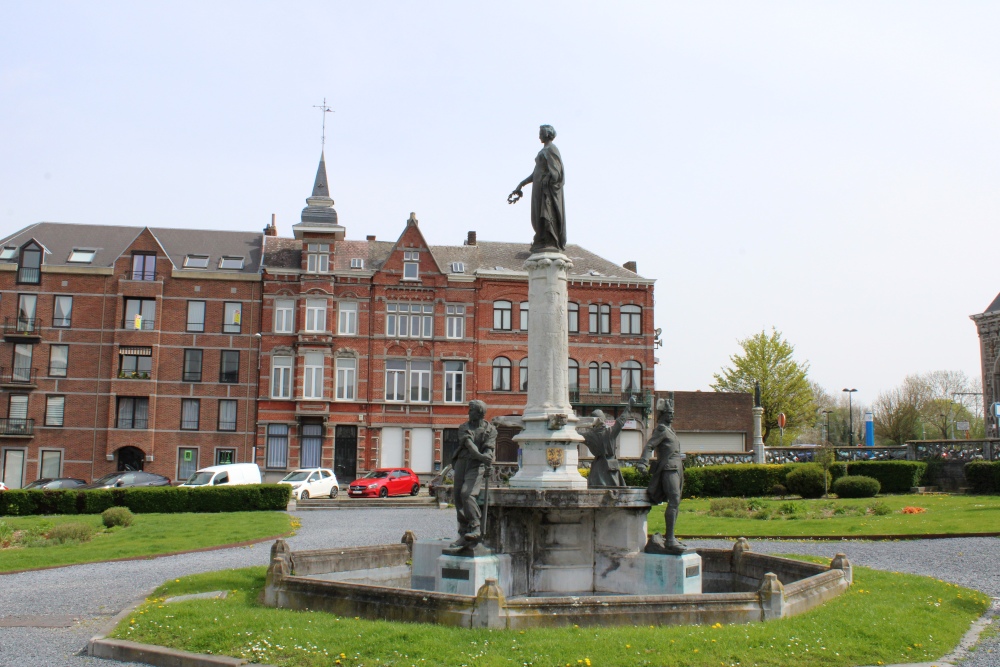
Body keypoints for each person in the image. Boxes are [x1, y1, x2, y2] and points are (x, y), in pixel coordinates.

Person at [637, 398, 688, 553]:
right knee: (673, 500)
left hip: (677, 469)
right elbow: (650, 445)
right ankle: (670, 540)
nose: (672, 416)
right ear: (663, 414)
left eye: (672, 413)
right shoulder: (661, 429)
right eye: (669, 413)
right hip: (668, 469)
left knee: (676, 501)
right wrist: (643, 462)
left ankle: (670, 536)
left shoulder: (671, 430)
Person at [509, 124, 566, 252]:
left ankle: (550, 240)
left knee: (546, 213)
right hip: (538, 189)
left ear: (547, 133)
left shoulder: (552, 149)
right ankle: (541, 239)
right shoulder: (542, 151)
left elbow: (556, 172)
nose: (539, 135)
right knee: (538, 216)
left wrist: (548, 179)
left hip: (547, 191)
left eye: (541, 132)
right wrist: (521, 184)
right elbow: (536, 173)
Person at [450, 400, 497, 549]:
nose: (468, 413)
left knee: (467, 494)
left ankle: (475, 526)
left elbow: (489, 448)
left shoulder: (491, 430)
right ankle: (464, 534)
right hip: (462, 462)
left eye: (471, 410)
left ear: (479, 413)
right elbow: (469, 445)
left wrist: (488, 457)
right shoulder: (464, 427)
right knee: (457, 497)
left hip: (476, 466)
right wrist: (483, 456)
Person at [582, 409, 627, 487]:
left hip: (597, 467)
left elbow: (573, 434)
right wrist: (629, 406)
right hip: (611, 466)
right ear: (603, 419)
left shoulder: (588, 435)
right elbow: (621, 420)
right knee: (615, 490)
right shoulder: (610, 432)